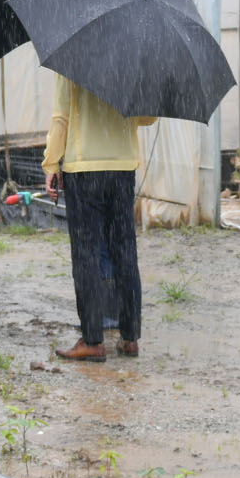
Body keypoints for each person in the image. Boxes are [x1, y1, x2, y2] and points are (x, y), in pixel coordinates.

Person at [42, 74, 156, 362]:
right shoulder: (131, 59)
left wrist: (51, 163)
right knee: (124, 251)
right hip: (122, 167)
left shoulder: (70, 60)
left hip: (84, 168)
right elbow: (147, 117)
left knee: (87, 254)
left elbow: (61, 117)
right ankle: (130, 337)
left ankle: (93, 340)